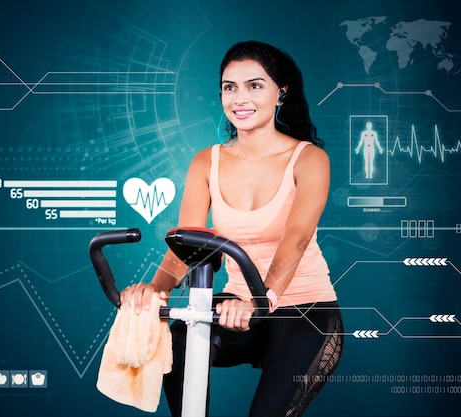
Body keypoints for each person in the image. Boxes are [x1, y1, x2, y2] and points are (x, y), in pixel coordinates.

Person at [120, 40, 344, 417]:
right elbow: (187, 245)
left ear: (280, 92)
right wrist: (153, 293)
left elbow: (298, 237)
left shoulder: (310, 159)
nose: (240, 98)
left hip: (305, 312)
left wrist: (260, 301)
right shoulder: (207, 162)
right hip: (235, 307)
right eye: (230, 87)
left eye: (255, 85)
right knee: (175, 346)